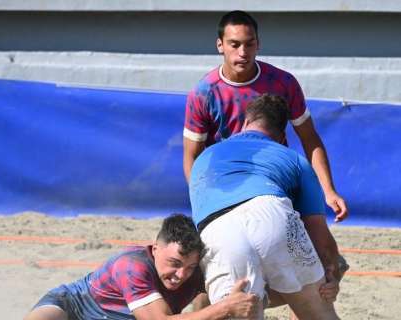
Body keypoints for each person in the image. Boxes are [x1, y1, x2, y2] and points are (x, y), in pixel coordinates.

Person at [183, 10, 347, 223]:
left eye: (249, 44)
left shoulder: (283, 83)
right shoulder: (203, 93)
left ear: (258, 44)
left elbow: (310, 138)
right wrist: (202, 198)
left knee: (308, 244)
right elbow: (192, 155)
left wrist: (328, 191)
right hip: (227, 185)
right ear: (220, 45)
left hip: (276, 183)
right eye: (234, 44)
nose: (243, 52)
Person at [190, 94, 341, 319]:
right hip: (271, 212)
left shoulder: (205, 157)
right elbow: (318, 230)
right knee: (319, 312)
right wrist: (332, 270)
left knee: (235, 309)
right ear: (282, 137)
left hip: (216, 227)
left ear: (243, 124)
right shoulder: (293, 158)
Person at [24, 214, 259, 320]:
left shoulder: (195, 272)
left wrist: (247, 299)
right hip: (74, 306)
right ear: (155, 248)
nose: (181, 275)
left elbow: (249, 298)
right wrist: (225, 308)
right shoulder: (132, 265)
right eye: (174, 264)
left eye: (189, 267)